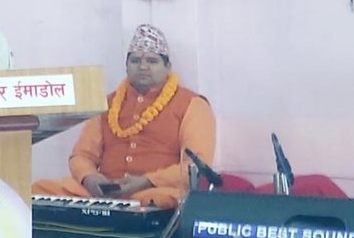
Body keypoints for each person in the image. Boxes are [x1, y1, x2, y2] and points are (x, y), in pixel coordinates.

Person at [32, 23, 216, 209]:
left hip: (156, 191)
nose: (143, 67)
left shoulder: (192, 104)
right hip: (104, 193)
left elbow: (196, 167)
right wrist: (90, 178)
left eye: (152, 61)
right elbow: (81, 155)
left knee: (159, 200)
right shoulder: (108, 104)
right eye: (135, 61)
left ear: (167, 66)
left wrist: (147, 181)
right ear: (126, 66)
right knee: (39, 189)